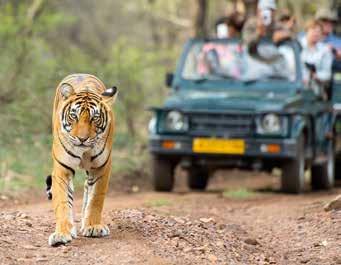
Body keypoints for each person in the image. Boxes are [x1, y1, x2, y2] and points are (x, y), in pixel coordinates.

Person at [300, 20, 333, 97]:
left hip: (316, 91)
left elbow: (327, 74)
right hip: (298, 90)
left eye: (318, 31)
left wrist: (316, 75)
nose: (315, 33)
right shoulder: (297, 46)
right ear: (307, 31)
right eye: (313, 30)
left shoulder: (325, 50)